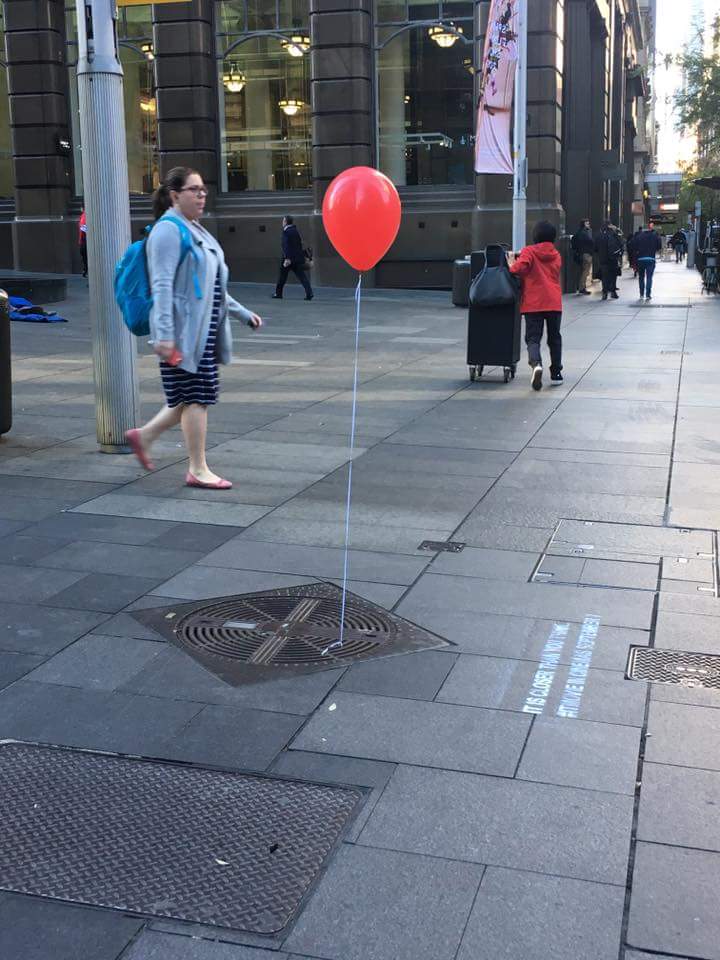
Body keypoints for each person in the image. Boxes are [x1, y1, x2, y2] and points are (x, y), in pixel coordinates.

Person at [125, 167, 262, 489]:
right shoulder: (168, 231)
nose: (202, 195)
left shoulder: (193, 229)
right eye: (194, 190)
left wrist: (243, 313)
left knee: (187, 399)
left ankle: (143, 437)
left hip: (200, 333)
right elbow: (161, 285)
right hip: (182, 335)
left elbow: (215, 284)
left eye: (203, 189)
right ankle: (197, 469)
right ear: (175, 195)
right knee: (197, 398)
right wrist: (165, 337)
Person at [508, 220, 563, 391]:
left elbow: (519, 269)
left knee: (533, 338)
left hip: (534, 302)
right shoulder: (556, 254)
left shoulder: (529, 251)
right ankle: (556, 373)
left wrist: (511, 261)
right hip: (554, 302)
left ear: (535, 235)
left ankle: (536, 364)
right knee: (554, 338)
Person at [272, 215, 313, 300]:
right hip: (297, 259)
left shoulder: (286, 232)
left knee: (282, 277)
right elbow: (299, 245)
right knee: (302, 277)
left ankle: (278, 293)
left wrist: (287, 258)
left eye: (283, 221)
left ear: (286, 222)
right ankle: (309, 293)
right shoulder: (295, 231)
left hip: (288, 259)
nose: (282, 222)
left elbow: (286, 246)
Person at [633, 222, 662, 301]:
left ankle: (641, 294)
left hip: (640, 259)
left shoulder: (638, 236)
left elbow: (634, 247)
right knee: (649, 277)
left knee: (641, 277)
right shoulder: (655, 236)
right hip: (650, 259)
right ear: (650, 228)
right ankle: (648, 294)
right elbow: (659, 246)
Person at [594, 221, 624, 300]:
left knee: (604, 276)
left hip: (603, 259)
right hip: (613, 258)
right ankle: (613, 292)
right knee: (613, 275)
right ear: (610, 226)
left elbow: (595, 248)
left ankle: (605, 293)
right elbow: (621, 243)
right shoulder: (615, 235)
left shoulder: (599, 236)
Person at [571, 219, 594, 295]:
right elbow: (590, 242)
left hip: (581, 254)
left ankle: (581, 286)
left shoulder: (578, 233)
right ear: (584, 225)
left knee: (583, 271)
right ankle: (582, 287)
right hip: (586, 254)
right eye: (587, 224)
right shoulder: (585, 233)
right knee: (585, 271)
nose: (589, 225)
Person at [78, 209, 88, 278]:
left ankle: (86, 270)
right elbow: (83, 228)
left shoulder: (84, 215)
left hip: (84, 242)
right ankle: (85, 270)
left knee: (85, 259)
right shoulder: (84, 215)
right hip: (84, 242)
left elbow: (83, 228)